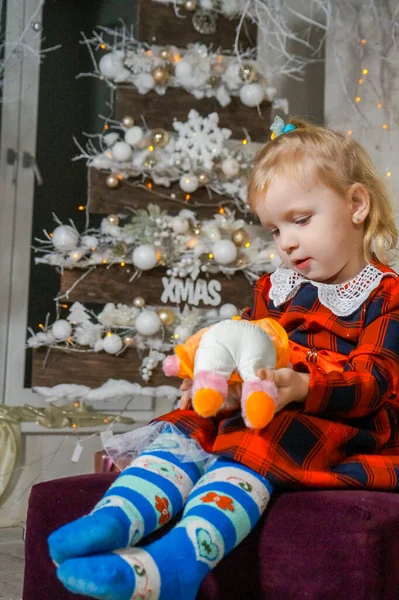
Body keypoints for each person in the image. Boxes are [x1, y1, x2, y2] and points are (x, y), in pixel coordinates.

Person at [48, 117, 399, 600]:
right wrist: (214, 379)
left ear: (356, 205)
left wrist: (300, 387)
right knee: (192, 422)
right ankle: (117, 518)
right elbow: (242, 343)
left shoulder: (383, 294)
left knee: (263, 432)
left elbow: (375, 381)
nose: (287, 242)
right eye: (274, 229)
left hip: (344, 419)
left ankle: (177, 562)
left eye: (300, 220)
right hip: (265, 400)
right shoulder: (275, 289)